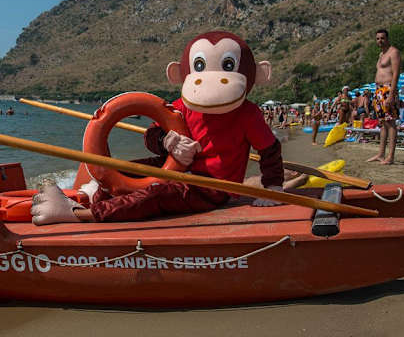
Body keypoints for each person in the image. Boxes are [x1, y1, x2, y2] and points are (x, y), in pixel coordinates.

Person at [31, 31, 284, 225]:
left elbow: (269, 150)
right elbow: (151, 135)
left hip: (212, 187)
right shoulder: (182, 106)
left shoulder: (247, 113)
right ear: (179, 73)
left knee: (157, 194)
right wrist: (166, 142)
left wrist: (273, 187)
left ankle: (78, 215)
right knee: (122, 171)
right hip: (177, 169)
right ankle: (92, 198)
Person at [366, 29, 401, 165]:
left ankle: (390, 156)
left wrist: (391, 94)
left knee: (391, 123)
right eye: (377, 38)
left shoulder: (394, 52)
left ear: (387, 39)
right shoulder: (381, 54)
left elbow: (396, 73)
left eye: (382, 38)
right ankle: (381, 154)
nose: (380, 41)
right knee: (382, 123)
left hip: (388, 89)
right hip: (379, 90)